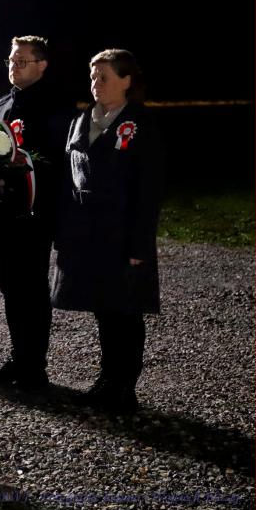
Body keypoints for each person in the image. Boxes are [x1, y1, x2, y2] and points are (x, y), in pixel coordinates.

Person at [0, 35, 73, 390]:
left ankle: (34, 366)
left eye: (22, 61)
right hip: (0, 212)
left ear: (42, 65)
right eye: (11, 60)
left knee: (31, 289)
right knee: (10, 287)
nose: (14, 67)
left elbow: (56, 161)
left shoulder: (56, 106)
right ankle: (18, 358)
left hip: (33, 213)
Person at [52, 49, 163, 413]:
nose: (96, 84)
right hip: (87, 235)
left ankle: (124, 387)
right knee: (102, 308)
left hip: (121, 234)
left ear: (126, 80)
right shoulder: (82, 120)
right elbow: (68, 179)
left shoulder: (141, 123)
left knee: (125, 312)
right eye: (93, 77)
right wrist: (64, 231)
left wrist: (139, 246)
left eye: (104, 77)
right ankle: (106, 380)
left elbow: (148, 191)